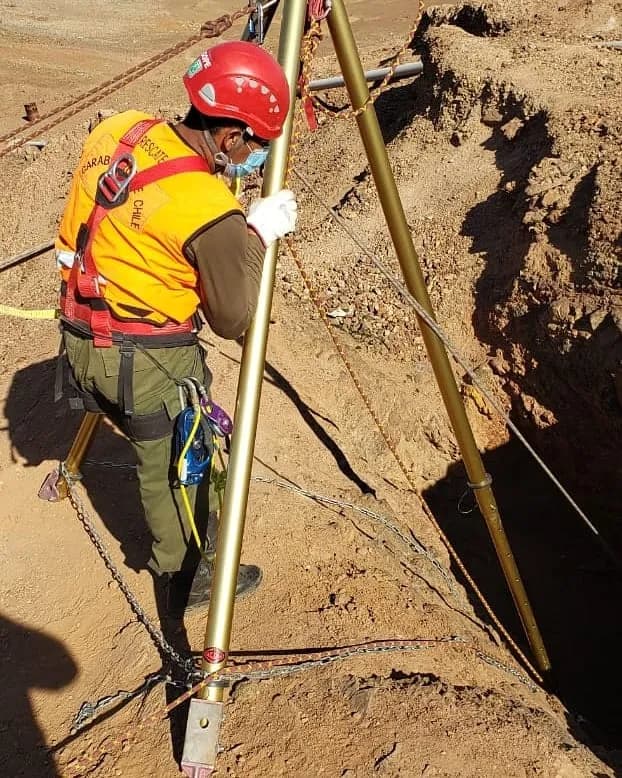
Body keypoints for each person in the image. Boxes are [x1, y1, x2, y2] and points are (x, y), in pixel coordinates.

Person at [54, 41, 297, 616]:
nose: (259, 156)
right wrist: (253, 238)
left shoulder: (120, 129)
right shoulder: (207, 208)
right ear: (231, 136)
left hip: (78, 337)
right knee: (173, 471)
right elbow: (232, 319)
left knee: (152, 442)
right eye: (258, 144)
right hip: (147, 364)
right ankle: (186, 575)